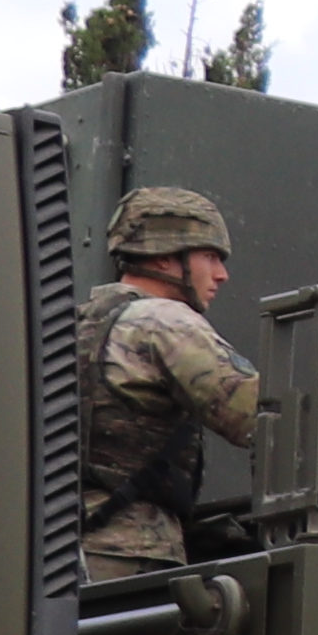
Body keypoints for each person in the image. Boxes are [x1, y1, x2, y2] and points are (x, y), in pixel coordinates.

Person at [79, 184, 264, 574]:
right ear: (164, 258)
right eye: (210, 256)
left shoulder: (73, 324)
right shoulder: (164, 321)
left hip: (54, 556)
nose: (221, 275)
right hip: (133, 556)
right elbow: (257, 418)